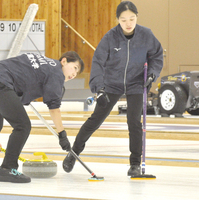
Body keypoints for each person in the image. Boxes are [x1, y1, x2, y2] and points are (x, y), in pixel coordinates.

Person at [62, 1, 163, 176]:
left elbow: (157, 55)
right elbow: (98, 62)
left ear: (137, 17)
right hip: (111, 83)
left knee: (134, 122)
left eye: (132, 18)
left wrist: (152, 75)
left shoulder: (146, 35)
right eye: (124, 20)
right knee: (95, 119)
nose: (128, 23)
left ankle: (135, 164)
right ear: (117, 19)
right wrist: (98, 88)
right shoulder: (110, 37)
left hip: (136, 83)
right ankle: (73, 154)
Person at [0, 51, 84, 183]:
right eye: (75, 68)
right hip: (0, 83)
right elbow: (54, 108)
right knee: (23, 126)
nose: (74, 74)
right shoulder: (56, 73)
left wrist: (21, 95)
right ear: (64, 61)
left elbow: (22, 74)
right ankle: (7, 168)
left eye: (77, 74)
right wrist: (62, 134)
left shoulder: (43, 62)